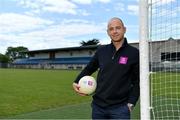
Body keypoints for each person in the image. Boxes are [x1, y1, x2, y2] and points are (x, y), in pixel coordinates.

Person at [72, 17, 139, 119]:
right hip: (98, 107)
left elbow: (137, 81)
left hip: (120, 108)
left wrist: (131, 103)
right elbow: (89, 68)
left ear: (124, 29)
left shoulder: (134, 53)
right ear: (108, 32)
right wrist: (76, 81)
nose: (114, 31)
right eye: (111, 29)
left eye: (118, 28)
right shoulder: (102, 51)